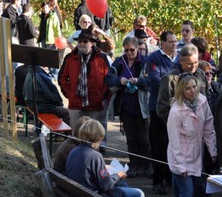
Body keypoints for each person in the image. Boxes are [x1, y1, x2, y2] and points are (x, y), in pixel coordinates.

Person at [106, 37, 151, 178]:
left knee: (144, 138)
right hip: (126, 106)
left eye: (132, 50)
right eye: (126, 50)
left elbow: (152, 80)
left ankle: (147, 165)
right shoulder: (119, 62)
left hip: (142, 106)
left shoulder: (145, 61)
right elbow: (108, 79)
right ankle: (134, 164)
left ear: (138, 48)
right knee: (131, 138)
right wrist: (120, 80)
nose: (129, 53)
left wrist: (139, 81)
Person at [65, 119, 144, 197]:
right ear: (99, 137)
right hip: (92, 193)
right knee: (139, 193)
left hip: (76, 192)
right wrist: (118, 175)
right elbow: (106, 185)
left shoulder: (73, 151)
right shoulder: (95, 156)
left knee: (121, 185)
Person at [58, 30, 111, 145]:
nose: (82, 43)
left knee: (96, 132)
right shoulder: (70, 57)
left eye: (85, 41)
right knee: (77, 133)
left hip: (96, 103)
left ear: (92, 43)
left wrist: (101, 96)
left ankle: (98, 153)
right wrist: (69, 94)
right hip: (76, 102)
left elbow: (108, 79)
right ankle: (77, 153)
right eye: (79, 41)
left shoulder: (101, 58)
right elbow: (62, 77)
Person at [167, 75, 216, 197]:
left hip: (197, 155)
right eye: (188, 88)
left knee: (200, 190)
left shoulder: (202, 101)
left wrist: (212, 150)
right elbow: (174, 141)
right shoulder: (176, 111)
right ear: (181, 91)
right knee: (187, 193)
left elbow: (208, 127)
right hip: (180, 158)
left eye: (194, 86)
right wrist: (180, 166)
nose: (193, 91)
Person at [145, 31, 178, 194]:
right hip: (158, 109)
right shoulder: (154, 58)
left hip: (178, 110)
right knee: (159, 146)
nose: (174, 44)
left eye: (175, 41)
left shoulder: (179, 58)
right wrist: (178, 89)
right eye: (171, 41)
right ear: (162, 43)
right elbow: (155, 81)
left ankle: (172, 179)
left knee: (174, 146)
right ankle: (158, 181)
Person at [157, 44, 207, 123]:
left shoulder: (200, 74)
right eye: (189, 63)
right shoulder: (170, 79)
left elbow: (207, 97)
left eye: (196, 62)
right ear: (181, 61)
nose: (193, 66)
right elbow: (162, 107)